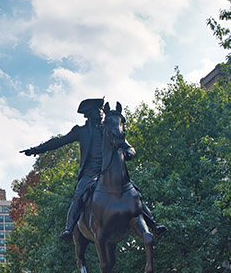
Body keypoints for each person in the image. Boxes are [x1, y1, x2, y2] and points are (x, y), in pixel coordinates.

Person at [21, 98, 165, 242]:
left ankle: (153, 225)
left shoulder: (109, 127)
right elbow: (59, 141)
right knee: (79, 195)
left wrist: (130, 153)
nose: (101, 113)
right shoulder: (81, 131)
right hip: (90, 174)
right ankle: (69, 228)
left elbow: (129, 147)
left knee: (134, 193)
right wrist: (36, 150)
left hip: (111, 172)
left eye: (101, 110)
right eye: (98, 111)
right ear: (89, 114)